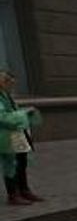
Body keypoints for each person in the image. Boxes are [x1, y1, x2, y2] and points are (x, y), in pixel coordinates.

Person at [1, 69, 41, 205]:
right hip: (5, 136)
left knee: (21, 162)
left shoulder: (7, 96)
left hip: (16, 134)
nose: (11, 85)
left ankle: (24, 190)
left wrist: (24, 112)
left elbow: (12, 112)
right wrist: (23, 114)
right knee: (11, 164)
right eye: (8, 81)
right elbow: (3, 117)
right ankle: (13, 194)